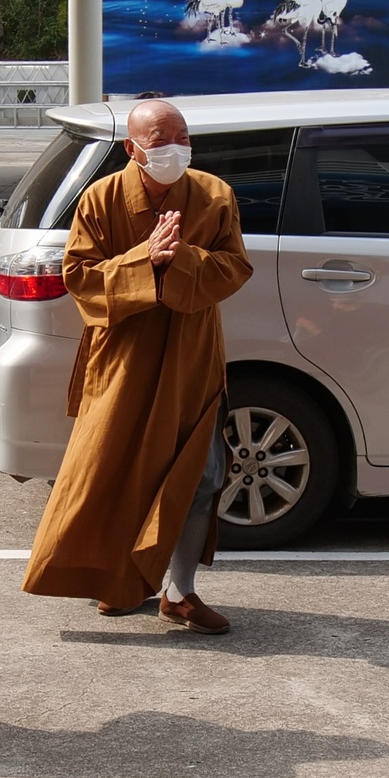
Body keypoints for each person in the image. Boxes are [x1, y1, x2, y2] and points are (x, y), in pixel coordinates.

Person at [22, 99, 253, 633]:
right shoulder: (101, 198)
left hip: (191, 354)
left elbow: (235, 267)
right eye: (160, 140)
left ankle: (180, 591)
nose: (175, 148)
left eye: (183, 137)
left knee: (201, 474)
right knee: (112, 469)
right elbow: (79, 277)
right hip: (123, 356)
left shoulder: (215, 195)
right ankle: (117, 581)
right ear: (132, 148)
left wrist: (183, 258)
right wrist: (143, 259)